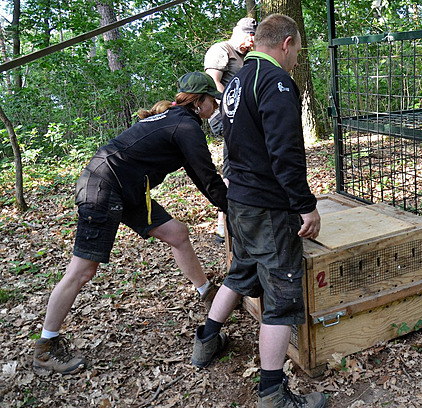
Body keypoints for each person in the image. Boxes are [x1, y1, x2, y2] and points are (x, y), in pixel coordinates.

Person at [33, 72, 228, 375]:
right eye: (212, 101)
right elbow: (206, 177)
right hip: (103, 188)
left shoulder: (174, 120)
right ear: (199, 102)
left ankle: (207, 293)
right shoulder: (185, 126)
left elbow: (198, 174)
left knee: (177, 233)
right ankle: (45, 347)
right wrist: (234, 207)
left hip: (126, 189)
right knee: (82, 270)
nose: (215, 106)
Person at [191, 14, 326, 408]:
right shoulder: (277, 82)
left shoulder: (236, 82)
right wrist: (305, 206)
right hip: (268, 207)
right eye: (298, 50)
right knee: (282, 296)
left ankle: (206, 342)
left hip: (240, 202)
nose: (297, 59)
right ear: (286, 44)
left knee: (240, 272)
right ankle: (272, 393)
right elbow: (286, 152)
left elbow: (234, 143)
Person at [204, 17, 257, 243]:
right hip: (225, 116)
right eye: (249, 39)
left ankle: (240, 220)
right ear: (240, 34)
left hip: (243, 120)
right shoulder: (220, 50)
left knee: (242, 164)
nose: (251, 44)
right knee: (232, 167)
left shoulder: (247, 56)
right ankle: (223, 226)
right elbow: (211, 84)